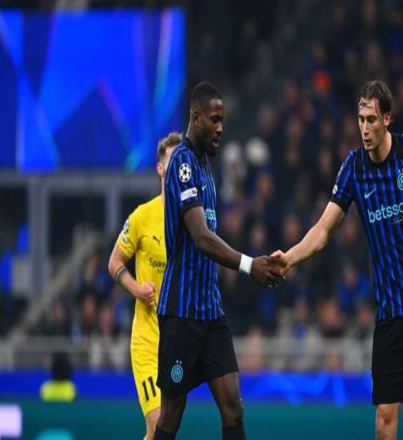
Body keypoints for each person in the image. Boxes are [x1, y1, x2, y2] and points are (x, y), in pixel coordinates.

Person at [272, 80, 403, 440]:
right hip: (389, 315)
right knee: (383, 422)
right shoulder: (353, 168)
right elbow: (323, 230)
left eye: (371, 120)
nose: (364, 129)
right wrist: (289, 258)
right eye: (360, 120)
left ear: (387, 119)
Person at [154, 81, 282, 440]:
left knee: (233, 407)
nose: (221, 128)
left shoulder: (207, 168)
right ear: (196, 118)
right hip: (181, 312)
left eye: (223, 120)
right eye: (214, 119)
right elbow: (201, 237)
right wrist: (249, 265)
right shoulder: (182, 163)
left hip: (210, 312)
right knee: (172, 411)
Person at [108, 132, 181, 440]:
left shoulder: (193, 222)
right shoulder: (142, 217)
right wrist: (136, 288)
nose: (178, 168)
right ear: (160, 168)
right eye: (172, 162)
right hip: (147, 342)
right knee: (158, 423)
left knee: (160, 433)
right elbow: (114, 262)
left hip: (177, 342)